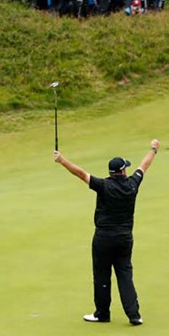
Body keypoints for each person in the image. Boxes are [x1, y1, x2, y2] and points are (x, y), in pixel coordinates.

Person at [53, 139, 161, 326]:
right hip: (125, 238)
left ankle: (102, 313)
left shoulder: (103, 185)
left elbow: (80, 173)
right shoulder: (132, 184)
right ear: (123, 171)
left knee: (102, 275)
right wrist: (154, 149)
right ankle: (134, 315)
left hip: (103, 238)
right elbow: (144, 165)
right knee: (125, 274)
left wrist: (62, 160)